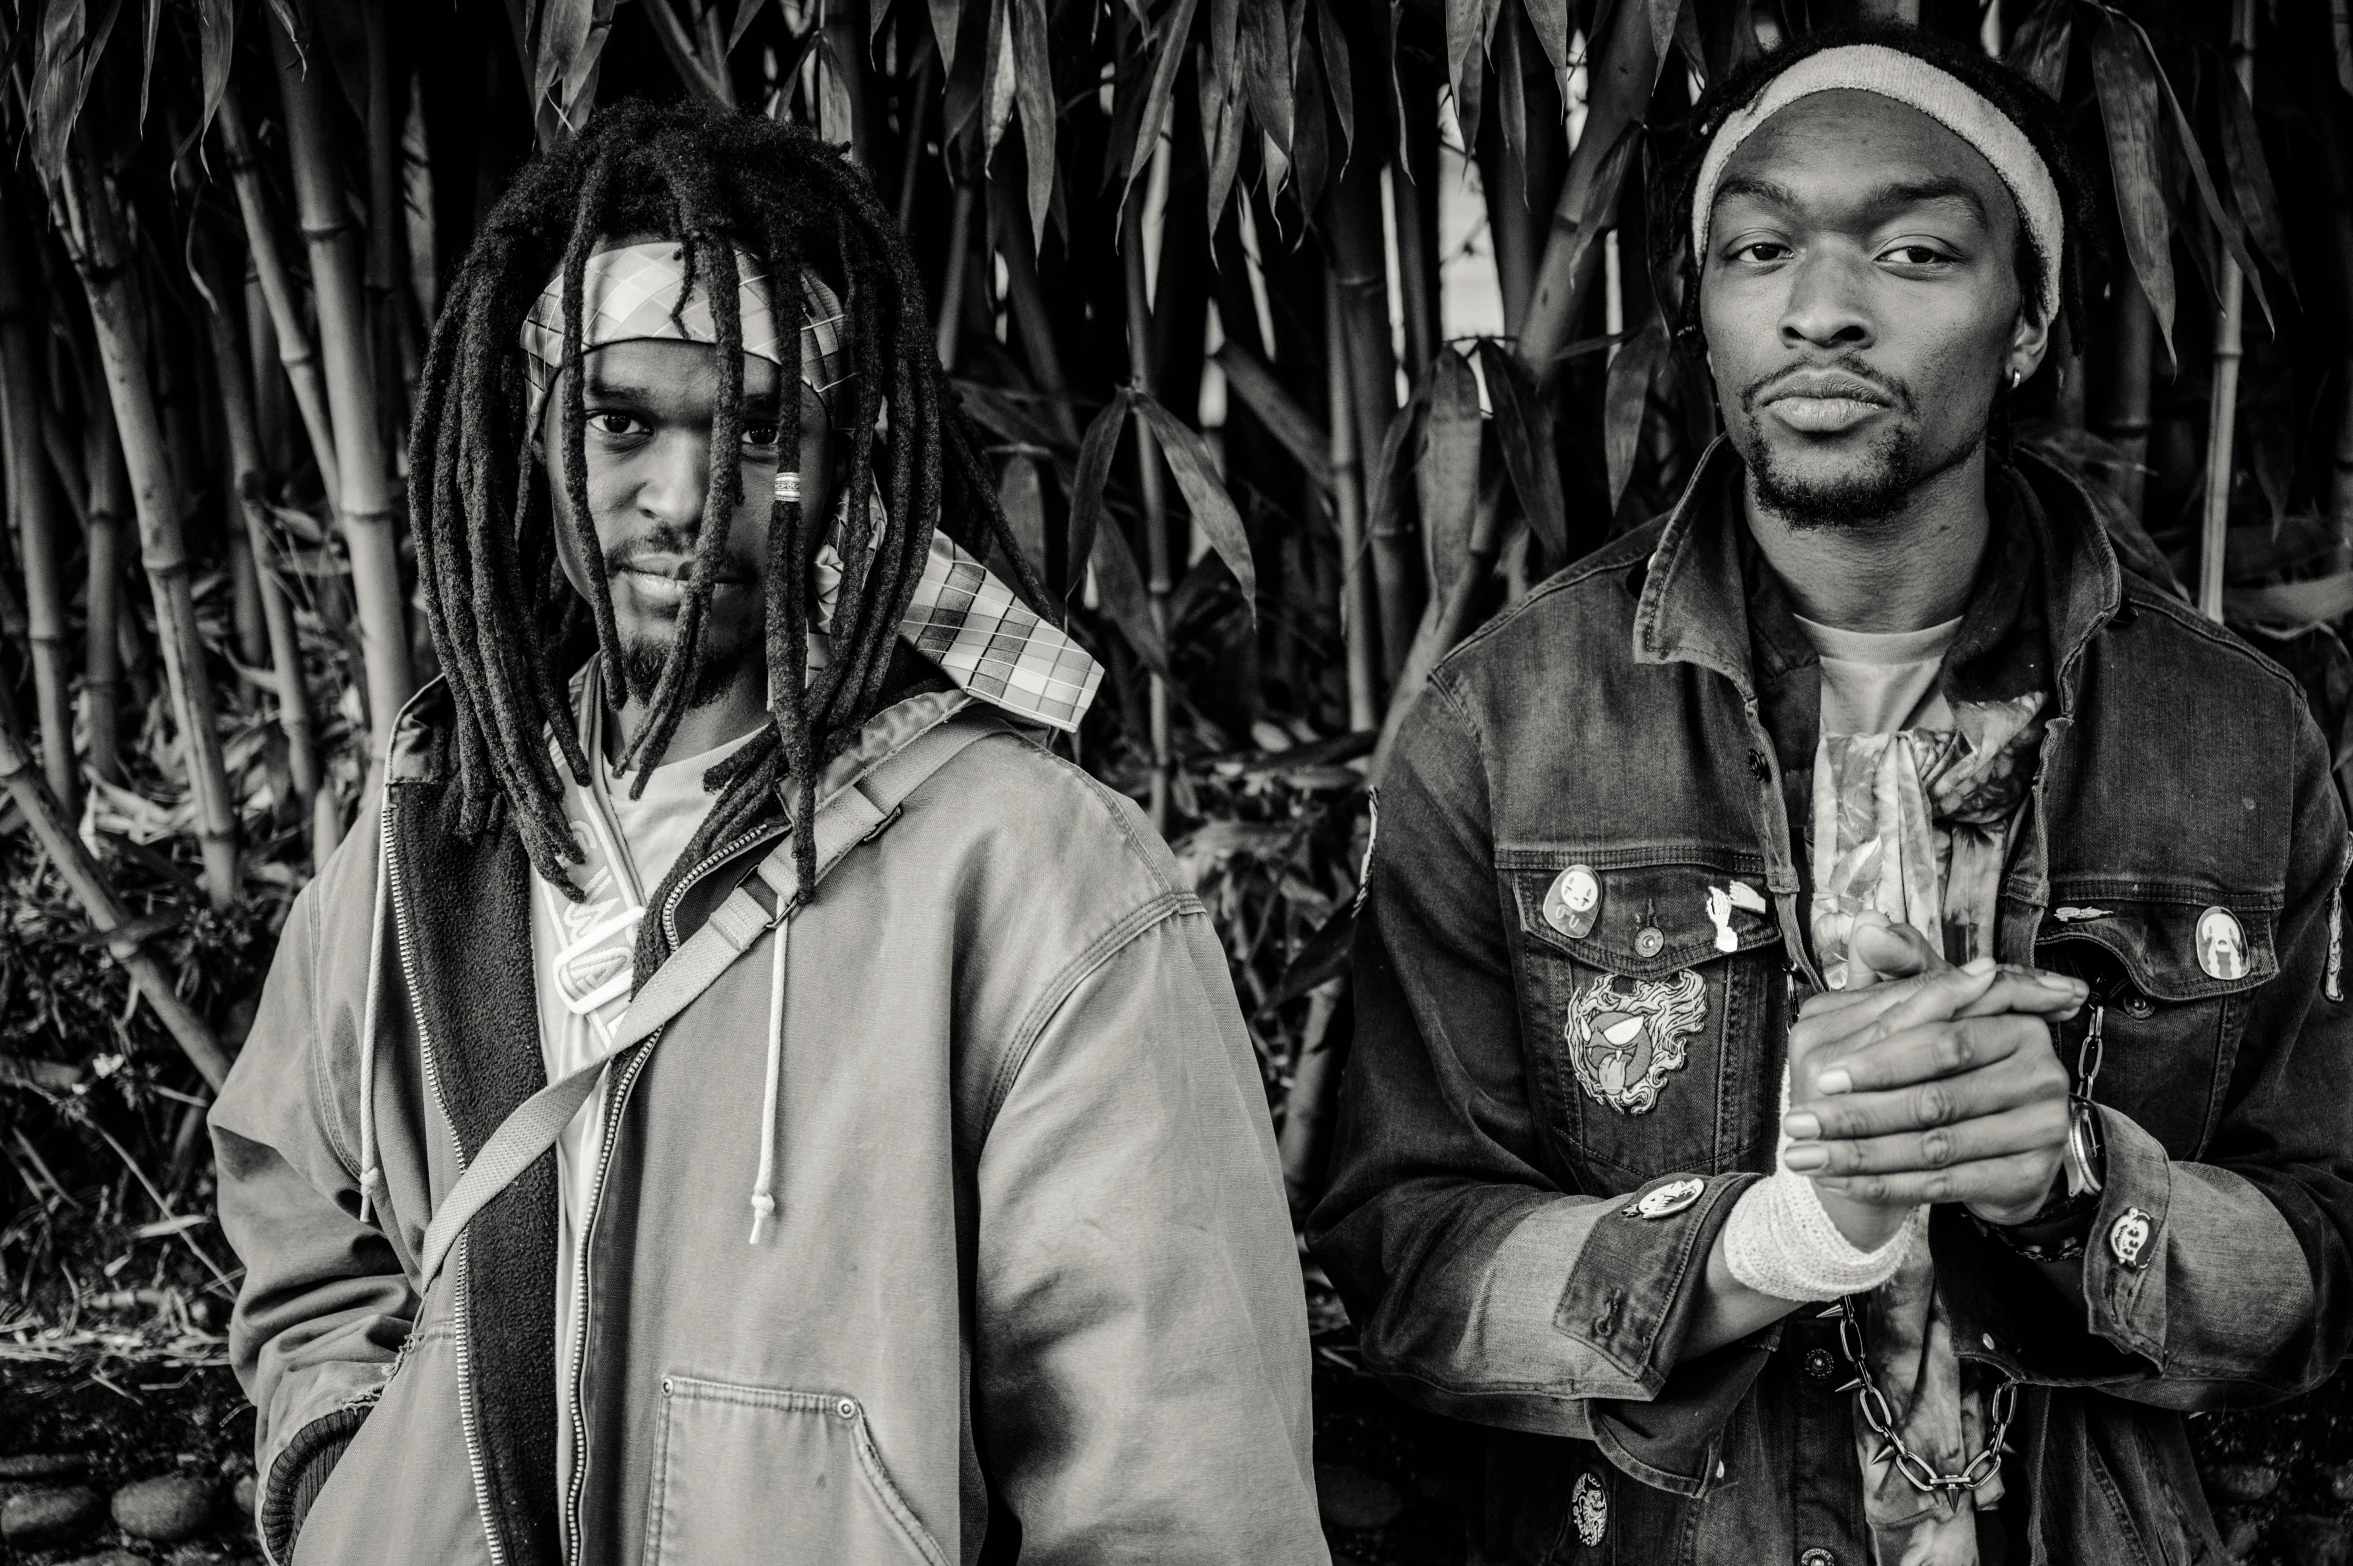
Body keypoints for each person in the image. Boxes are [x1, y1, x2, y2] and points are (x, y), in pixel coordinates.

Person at [210, 99, 1325, 1566]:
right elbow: (294, 1197)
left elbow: (1175, 1479)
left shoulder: (1034, 874)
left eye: (754, 428)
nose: (684, 499)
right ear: (530, 434)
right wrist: (357, 1476)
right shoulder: (435, 828)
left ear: (841, 457)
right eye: (620, 421)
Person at [1310, 25, 2353, 1566]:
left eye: (1917, 250)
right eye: (1760, 250)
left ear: (2029, 322)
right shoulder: (1505, 723)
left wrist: (2076, 1193)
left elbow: (2326, 1251)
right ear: (1705, 313)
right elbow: (1401, 1266)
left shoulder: (2236, 737)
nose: (1821, 310)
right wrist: (1776, 1239)